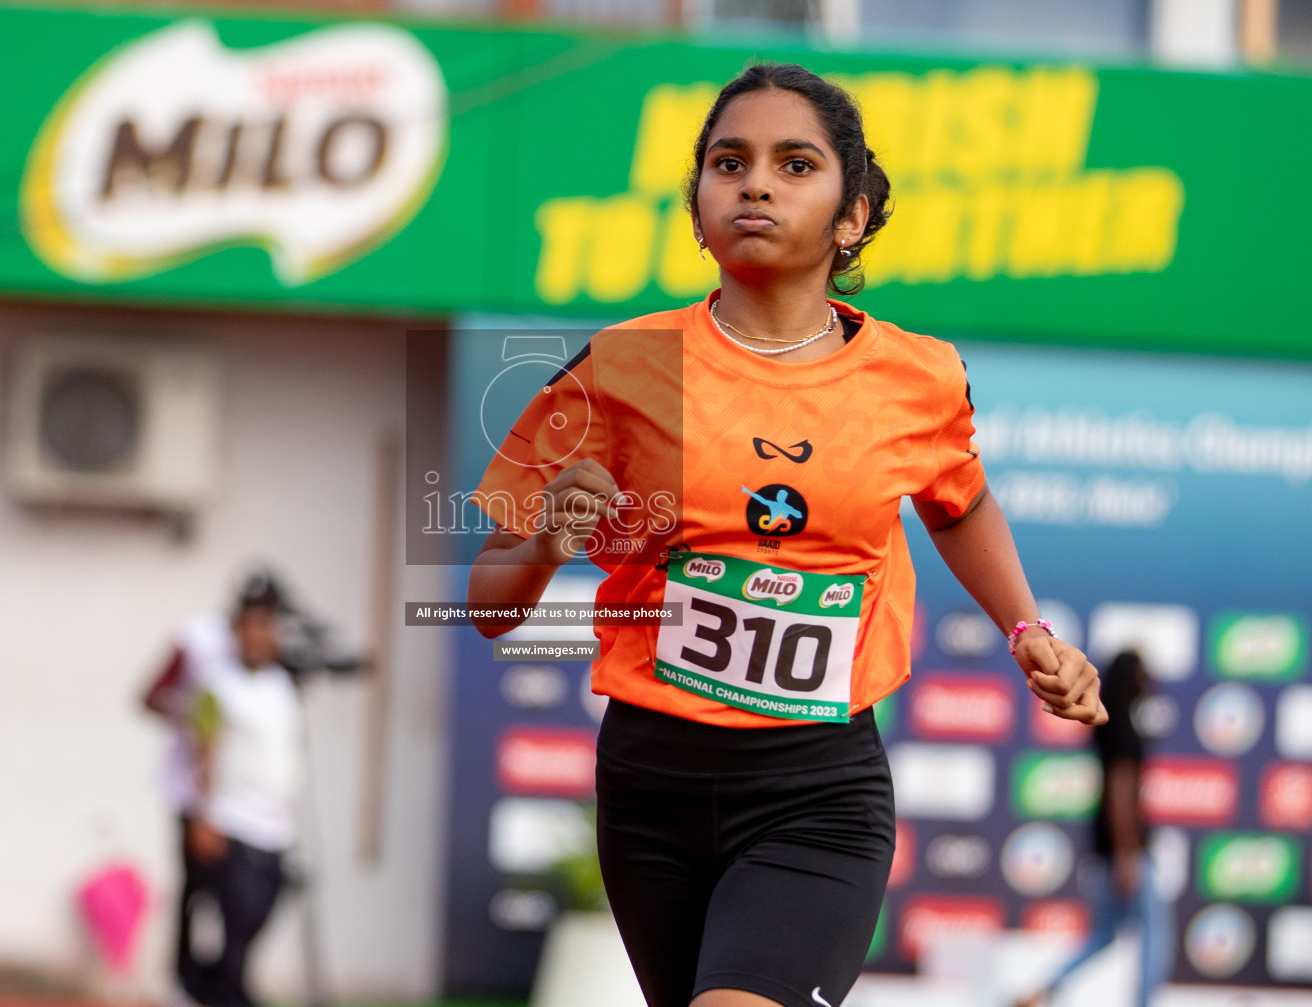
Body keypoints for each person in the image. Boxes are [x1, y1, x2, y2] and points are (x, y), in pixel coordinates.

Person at [466, 63, 1108, 1007]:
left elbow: (960, 504)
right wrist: (548, 545)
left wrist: (1028, 631)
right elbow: (485, 604)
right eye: (730, 163)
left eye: (794, 163)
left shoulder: (917, 379)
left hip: (819, 789)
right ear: (697, 211)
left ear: (851, 218)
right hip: (652, 785)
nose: (756, 182)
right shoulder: (619, 368)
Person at [141, 572, 304, 1007]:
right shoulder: (214, 683)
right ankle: (205, 988)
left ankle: (209, 987)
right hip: (230, 820)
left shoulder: (282, 685)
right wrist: (203, 814)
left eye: (266, 625)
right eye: (248, 626)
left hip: (274, 825)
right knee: (219, 914)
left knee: (258, 914)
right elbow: (203, 751)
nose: (257, 635)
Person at [1017, 650, 1171, 1007]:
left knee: (1102, 936)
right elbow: (1120, 790)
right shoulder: (1123, 726)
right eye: (1144, 672)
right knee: (1156, 940)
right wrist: (1128, 854)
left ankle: (1041, 991)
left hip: (1108, 845)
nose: (1150, 680)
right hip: (1126, 849)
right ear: (1133, 676)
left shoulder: (1107, 723)